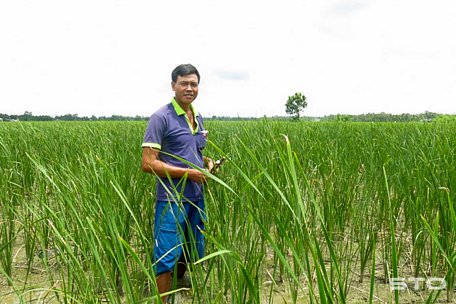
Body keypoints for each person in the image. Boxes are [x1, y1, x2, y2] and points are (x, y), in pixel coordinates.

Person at [141, 64, 213, 303]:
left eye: (194, 83)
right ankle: (164, 299)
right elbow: (149, 163)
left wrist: (207, 163)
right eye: (184, 83)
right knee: (167, 252)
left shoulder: (198, 117)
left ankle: (179, 283)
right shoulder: (161, 118)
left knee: (192, 247)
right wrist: (188, 174)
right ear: (173, 86)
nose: (189, 88)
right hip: (172, 198)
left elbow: (193, 153)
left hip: (197, 195)